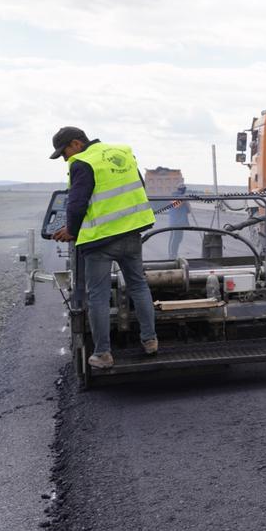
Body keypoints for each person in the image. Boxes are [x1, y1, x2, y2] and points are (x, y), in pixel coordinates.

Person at [49, 126, 159, 370]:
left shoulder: (82, 162)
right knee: (138, 286)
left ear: (76, 144)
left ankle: (103, 354)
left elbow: (77, 204)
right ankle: (150, 341)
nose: (65, 158)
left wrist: (72, 230)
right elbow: (137, 187)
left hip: (101, 241)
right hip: (132, 233)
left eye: (64, 152)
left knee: (97, 294)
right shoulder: (123, 152)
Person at [165, 184, 190, 259]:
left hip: (182, 222)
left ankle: (175, 253)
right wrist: (183, 200)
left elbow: (189, 211)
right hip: (175, 222)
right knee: (174, 238)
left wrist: (187, 202)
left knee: (179, 238)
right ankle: (172, 254)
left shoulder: (183, 197)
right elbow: (176, 205)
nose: (182, 190)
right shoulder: (174, 196)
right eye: (182, 189)